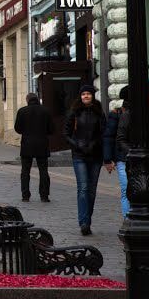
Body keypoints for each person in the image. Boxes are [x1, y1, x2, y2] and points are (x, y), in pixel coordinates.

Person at [116, 81, 149, 221]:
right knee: (139, 201)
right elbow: (121, 139)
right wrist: (135, 154)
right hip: (137, 166)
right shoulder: (128, 115)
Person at [63, 84, 105, 235]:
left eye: (88, 94)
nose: (86, 96)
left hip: (95, 155)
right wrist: (77, 144)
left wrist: (95, 144)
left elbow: (103, 132)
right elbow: (66, 134)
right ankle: (84, 223)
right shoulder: (74, 112)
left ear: (92, 95)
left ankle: (88, 219)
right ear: (80, 96)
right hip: (79, 155)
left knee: (92, 191)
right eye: (83, 94)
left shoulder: (99, 112)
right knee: (83, 188)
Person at [15, 93, 53, 203]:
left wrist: (26, 132)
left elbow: (17, 128)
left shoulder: (22, 111)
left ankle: (25, 195)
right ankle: (44, 195)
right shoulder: (46, 111)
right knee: (43, 171)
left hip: (27, 144)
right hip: (42, 144)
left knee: (25, 171)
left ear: (27, 100)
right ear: (37, 99)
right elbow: (51, 129)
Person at [102, 95, 129, 217]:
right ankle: (127, 219)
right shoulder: (116, 115)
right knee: (126, 189)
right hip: (122, 157)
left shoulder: (143, 113)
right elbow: (109, 137)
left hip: (138, 158)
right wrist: (108, 159)